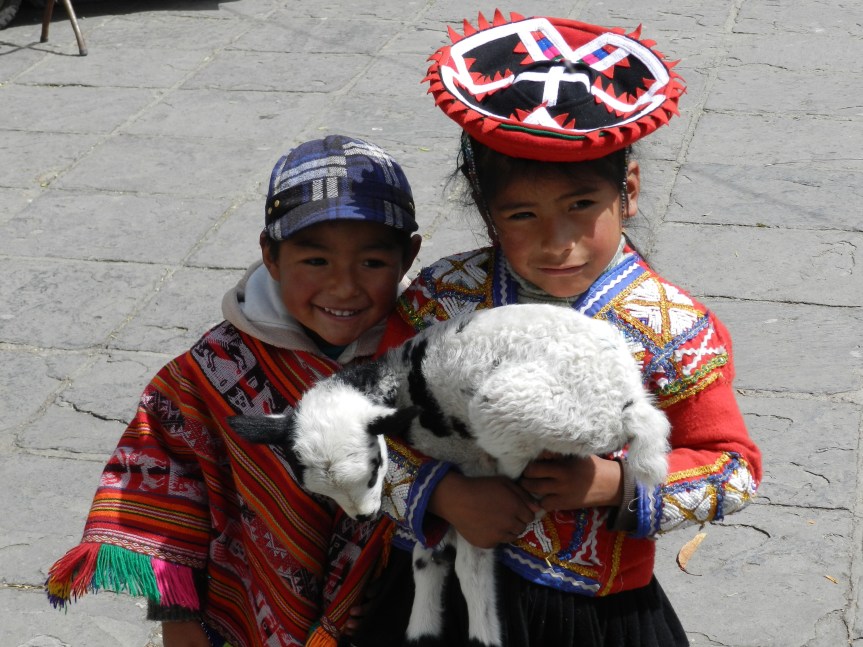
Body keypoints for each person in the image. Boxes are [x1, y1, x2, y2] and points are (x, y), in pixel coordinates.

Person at [354, 12, 763, 647]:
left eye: (580, 206)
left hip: (595, 618)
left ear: (626, 189)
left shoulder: (671, 327)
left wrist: (614, 483)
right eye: (522, 214)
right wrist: (443, 494)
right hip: (442, 595)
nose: (559, 242)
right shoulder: (441, 301)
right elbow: (360, 424)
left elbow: (733, 469)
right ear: (487, 210)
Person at [46, 135, 422, 647]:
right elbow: (174, 498)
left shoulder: (422, 358)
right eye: (315, 261)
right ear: (270, 255)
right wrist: (177, 618)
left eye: (372, 263)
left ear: (408, 256)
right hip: (248, 610)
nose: (344, 287)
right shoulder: (213, 371)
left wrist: (398, 592)